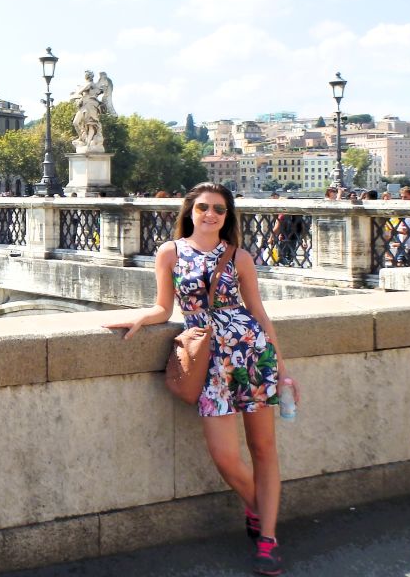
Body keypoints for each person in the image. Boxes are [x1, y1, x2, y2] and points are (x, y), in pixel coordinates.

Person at [103, 182, 294, 576]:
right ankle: (261, 509)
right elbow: (163, 306)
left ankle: (268, 538)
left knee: (263, 448)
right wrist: (141, 317)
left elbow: (258, 313)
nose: (210, 215)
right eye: (204, 207)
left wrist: (283, 371)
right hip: (207, 358)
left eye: (219, 209)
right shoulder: (169, 252)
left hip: (250, 352)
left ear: (227, 216)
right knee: (225, 456)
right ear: (190, 211)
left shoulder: (239, 256)